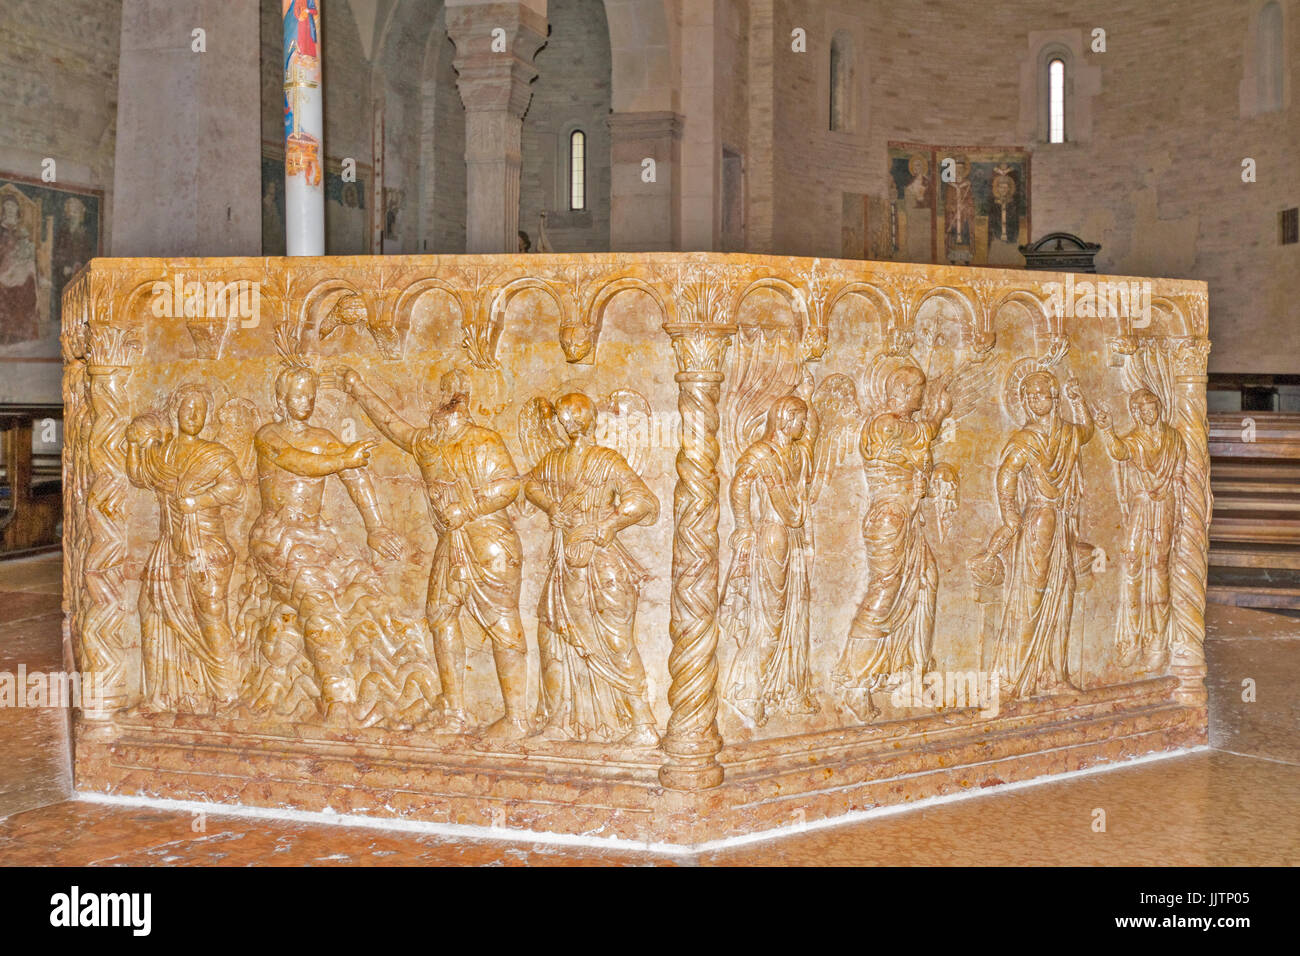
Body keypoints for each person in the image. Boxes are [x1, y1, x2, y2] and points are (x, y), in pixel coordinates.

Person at [334, 366, 530, 737]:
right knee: (440, 615)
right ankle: (455, 710)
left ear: (466, 402)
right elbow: (393, 427)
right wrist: (359, 388)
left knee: (503, 623)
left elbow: (508, 486)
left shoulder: (483, 441)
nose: (446, 401)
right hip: (451, 542)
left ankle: (517, 718)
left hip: (489, 540)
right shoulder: (429, 443)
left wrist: (468, 509)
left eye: (454, 395)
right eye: (442, 393)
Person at [247, 365, 404, 722]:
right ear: (282, 399)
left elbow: (355, 477)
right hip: (278, 536)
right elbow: (296, 462)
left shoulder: (322, 437)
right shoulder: (269, 436)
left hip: (317, 537)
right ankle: (338, 699)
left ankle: (279, 681)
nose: (307, 400)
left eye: (311, 393)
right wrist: (342, 458)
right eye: (299, 394)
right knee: (317, 599)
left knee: (365, 592)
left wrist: (375, 527)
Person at [524, 393, 660, 744]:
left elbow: (642, 500)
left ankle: (643, 724)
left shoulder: (606, 460)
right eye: (563, 416)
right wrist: (552, 506)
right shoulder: (552, 461)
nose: (566, 422)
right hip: (564, 566)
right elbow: (530, 484)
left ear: (584, 420)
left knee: (616, 641)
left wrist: (606, 525)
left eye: (571, 416)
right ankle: (559, 721)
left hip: (602, 564)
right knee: (553, 635)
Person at [832, 365, 951, 720]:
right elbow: (919, 437)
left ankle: (910, 673)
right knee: (884, 593)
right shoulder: (885, 424)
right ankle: (855, 684)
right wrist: (938, 415)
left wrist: (938, 415)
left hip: (907, 517)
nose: (922, 395)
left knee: (927, 581)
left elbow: (921, 439)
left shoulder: (904, 426)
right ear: (902, 389)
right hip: (890, 518)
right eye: (918, 389)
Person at [971, 370, 1095, 698]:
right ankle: (1017, 675)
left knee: (1064, 592)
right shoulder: (1026, 439)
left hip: (1062, 520)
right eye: (1028, 395)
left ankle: (1055, 674)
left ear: (1054, 398)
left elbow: (1086, 431)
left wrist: (1080, 401)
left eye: (1039, 394)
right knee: (1034, 595)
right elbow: (1006, 474)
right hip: (1040, 519)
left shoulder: (1067, 433)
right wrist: (1011, 516)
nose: (1032, 400)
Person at [126, 385, 243, 712]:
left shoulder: (214, 454)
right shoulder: (162, 454)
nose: (193, 414)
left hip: (204, 545)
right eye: (188, 407)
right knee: (150, 609)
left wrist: (199, 500)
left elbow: (235, 488)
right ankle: (160, 696)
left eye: (200, 409)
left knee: (210, 614)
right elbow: (140, 477)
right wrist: (135, 443)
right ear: (176, 411)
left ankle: (227, 692)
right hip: (168, 544)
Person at [722, 395, 816, 725]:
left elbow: (801, 490)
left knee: (796, 614)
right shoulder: (761, 453)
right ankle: (749, 691)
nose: (803, 425)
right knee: (770, 619)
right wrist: (744, 525)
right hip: (772, 535)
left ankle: (789, 690)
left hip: (794, 537)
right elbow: (739, 485)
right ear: (783, 419)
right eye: (799, 419)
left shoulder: (799, 453)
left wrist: (808, 387)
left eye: (805, 420)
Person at [1096, 388, 1185, 670]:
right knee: (1132, 559)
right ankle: (1132, 637)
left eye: (1153, 408)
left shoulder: (1173, 438)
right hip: (1142, 504)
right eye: (1143, 410)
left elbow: (1181, 475)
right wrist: (1108, 429)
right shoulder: (1135, 439)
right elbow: (1119, 451)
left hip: (1165, 504)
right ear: (1136, 413)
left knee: (1159, 565)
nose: (1149, 413)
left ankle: (1157, 641)